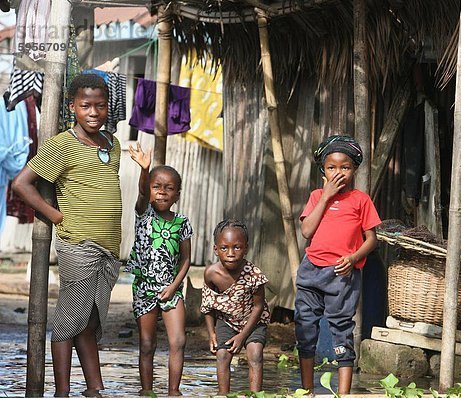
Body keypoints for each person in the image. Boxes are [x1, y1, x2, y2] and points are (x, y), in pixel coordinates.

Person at [12, 73, 122, 397]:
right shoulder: (62, 145)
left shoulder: (111, 145)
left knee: (87, 322)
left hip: (109, 250)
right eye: (85, 105)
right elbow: (22, 184)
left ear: (107, 108)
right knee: (67, 322)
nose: (93, 112)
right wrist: (57, 216)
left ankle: (95, 389)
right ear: (72, 107)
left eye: (100, 106)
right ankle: (62, 392)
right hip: (79, 246)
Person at [296, 134, 382, 395]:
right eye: (331, 167)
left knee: (342, 331)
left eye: (345, 167)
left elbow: (372, 240)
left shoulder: (360, 200)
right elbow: (307, 231)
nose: (338, 172)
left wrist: (353, 258)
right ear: (323, 170)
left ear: (354, 169)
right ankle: (307, 391)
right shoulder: (316, 197)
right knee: (305, 329)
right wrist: (326, 197)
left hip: (342, 274)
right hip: (311, 272)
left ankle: (343, 394)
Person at [125, 146, 192, 397]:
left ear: (177, 195)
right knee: (146, 343)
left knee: (178, 341)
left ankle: (174, 391)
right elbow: (142, 192)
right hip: (144, 288)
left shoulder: (182, 222)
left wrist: (173, 287)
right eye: (157, 186)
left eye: (169, 188)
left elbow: (186, 259)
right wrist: (144, 169)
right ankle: (146, 391)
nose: (162, 192)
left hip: (171, 289)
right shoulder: (144, 213)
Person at [201, 219, 270, 394]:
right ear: (216, 249)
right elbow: (208, 305)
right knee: (222, 354)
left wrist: (242, 336)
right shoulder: (211, 274)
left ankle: (255, 395)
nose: (230, 253)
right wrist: (212, 334)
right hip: (227, 321)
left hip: (253, 322)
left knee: (254, 353)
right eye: (224, 248)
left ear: (246, 248)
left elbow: (258, 307)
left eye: (237, 247)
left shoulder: (254, 275)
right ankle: (223, 395)